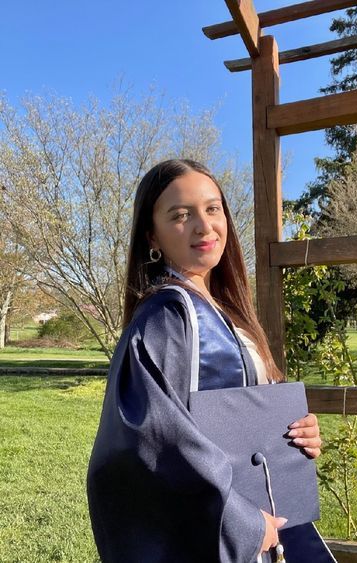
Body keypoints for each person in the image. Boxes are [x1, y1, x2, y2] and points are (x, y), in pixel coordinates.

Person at [87, 159, 323, 563]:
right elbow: (153, 447)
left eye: (213, 209)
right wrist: (244, 524)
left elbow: (247, 416)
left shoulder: (227, 311)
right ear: (152, 235)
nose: (204, 225)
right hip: (221, 540)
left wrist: (297, 436)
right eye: (180, 215)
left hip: (264, 530)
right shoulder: (165, 318)